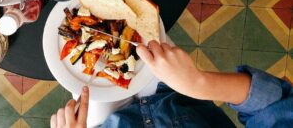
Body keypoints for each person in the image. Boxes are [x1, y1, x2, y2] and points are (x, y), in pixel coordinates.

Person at [51, 41, 293, 128]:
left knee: (78, 70)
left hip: (107, 122)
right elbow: (276, 104)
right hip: (178, 96)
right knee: (145, 33)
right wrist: (198, 82)